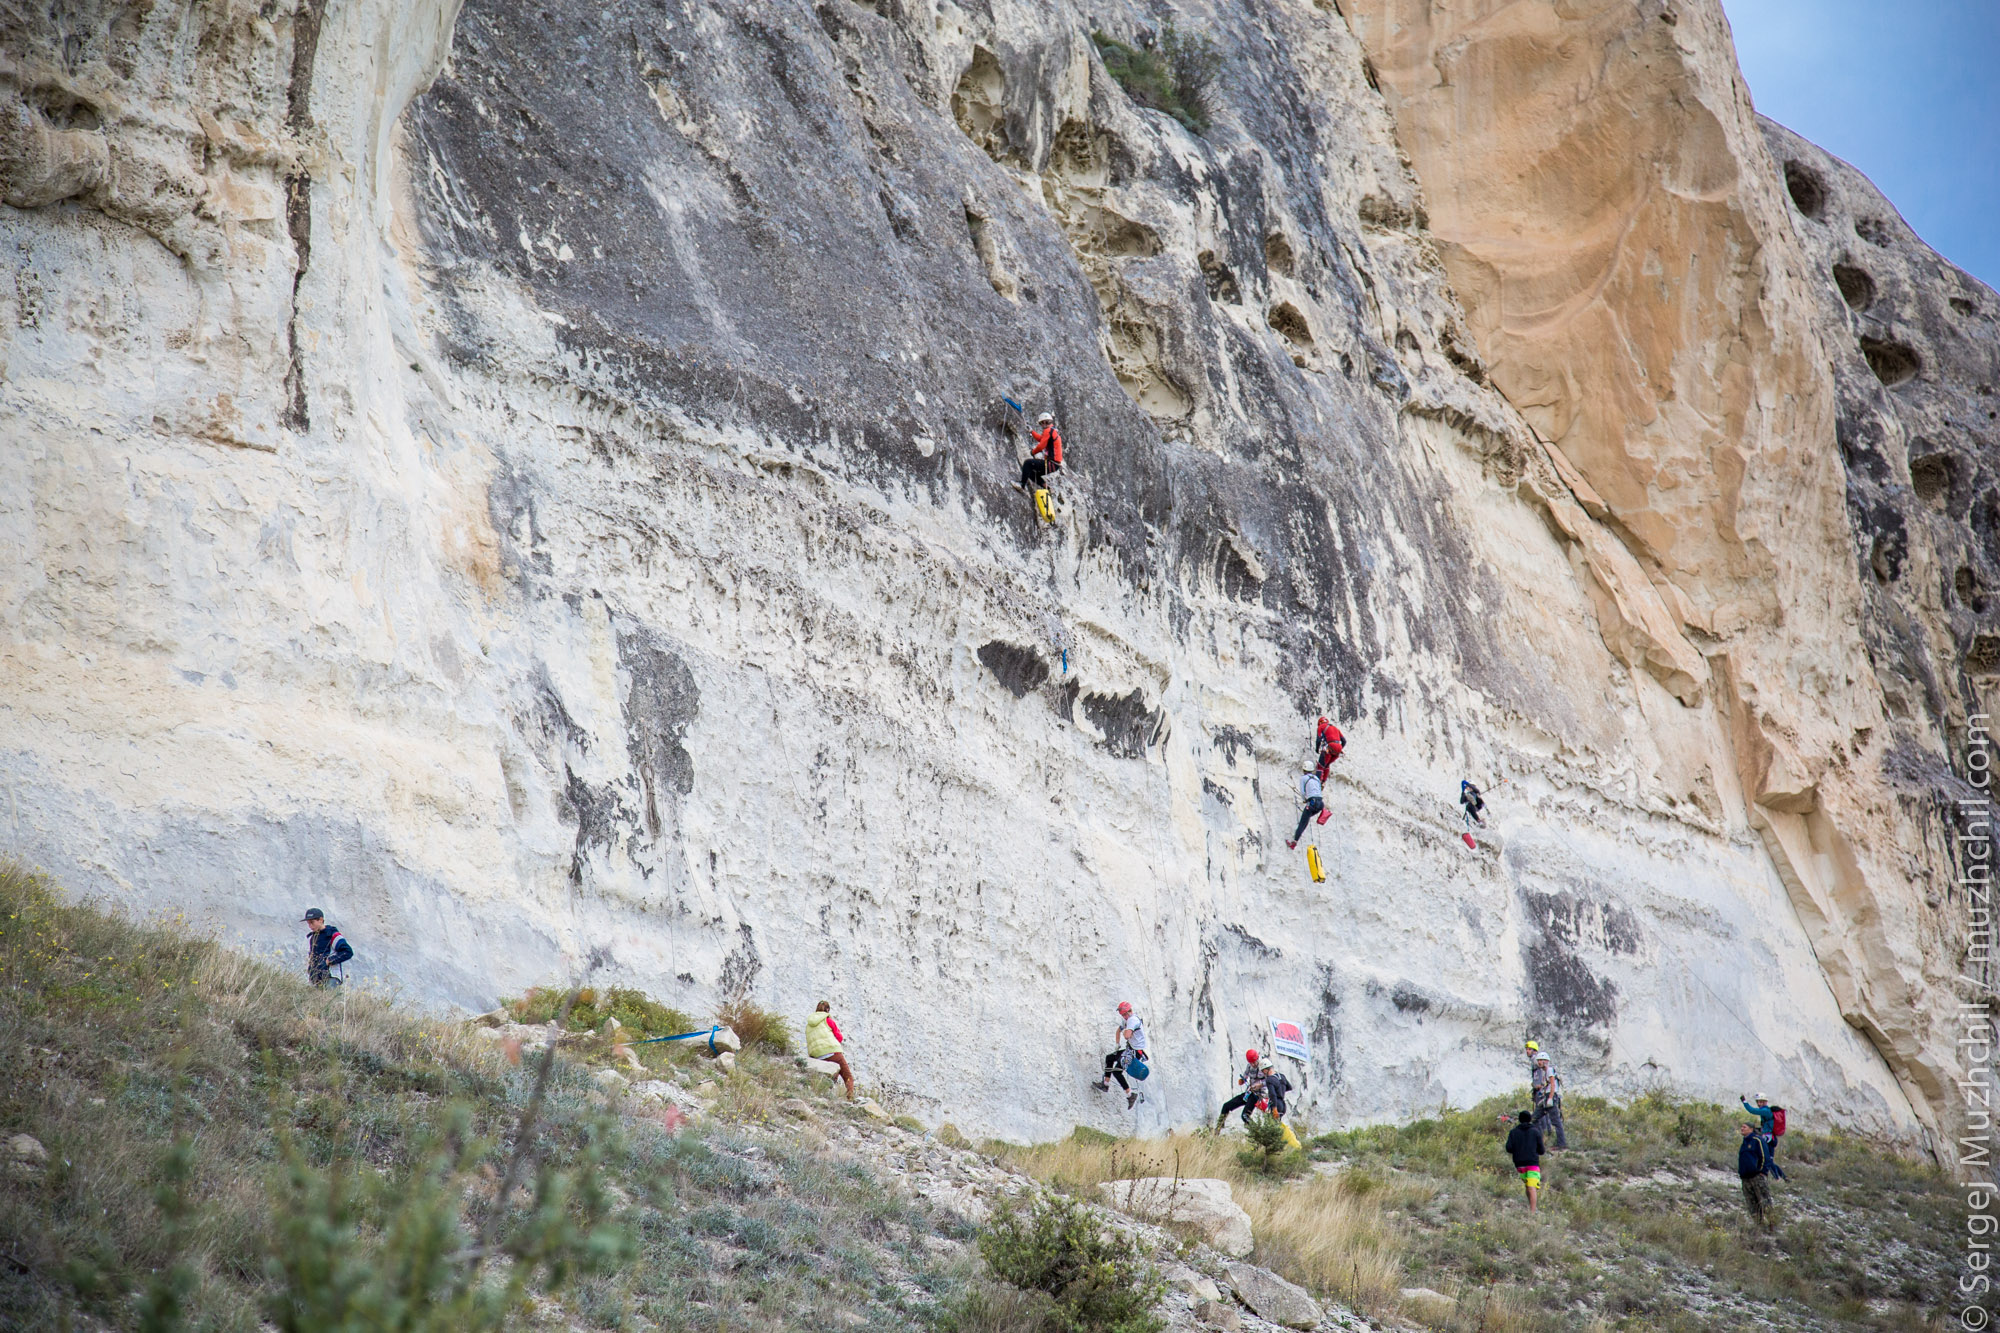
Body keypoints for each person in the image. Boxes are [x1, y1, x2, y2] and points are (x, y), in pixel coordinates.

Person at [1093, 1001, 1149, 1108]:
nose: (1123, 1016)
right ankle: (1105, 1084)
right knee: (1109, 1058)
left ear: (1128, 1012)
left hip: (1135, 1053)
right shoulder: (1127, 1020)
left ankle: (1130, 1095)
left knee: (1117, 1072)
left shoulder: (1132, 1020)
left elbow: (1127, 1035)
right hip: (1130, 1050)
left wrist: (1125, 1032)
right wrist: (1117, 1044)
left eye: (1123, 1014)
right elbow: (1118, 1031)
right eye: (1122, 1015)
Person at [806, 1000, 856, 1100]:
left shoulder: (808, 1025)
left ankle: (826, 1097)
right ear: (827, 1010)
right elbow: (839, 1037)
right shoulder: (828, 1020)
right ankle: (850, 1100)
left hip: (816, 1056)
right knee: (848, 1077)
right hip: (833, 1052)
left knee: (829, 1077)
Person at [1216, 1049, 1268, 1129]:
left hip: (1258, 1095)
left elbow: (1270, 1080)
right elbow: (1245, 1075)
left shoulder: (1264, 1065)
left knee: (1245, 1116)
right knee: (1226, 1106)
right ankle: (1217, 1131)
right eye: (1251, 1063)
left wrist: (1259, 1085)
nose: (1254, 1064)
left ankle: (1259, 1133)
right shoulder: (1249, 1066)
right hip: (1249, 1093)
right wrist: (1242, 1080)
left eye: (1255, 1062)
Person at [1504, 1110, 1545, 1212]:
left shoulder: (1513, 1132)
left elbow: (1509, 1148)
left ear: (1519, 1119)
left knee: (1528, 1186)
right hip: (1532, 1164)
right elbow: (1542, 1151)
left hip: (1519, 1165)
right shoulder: (1535, 1131)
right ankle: (1532, 1213)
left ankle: (1531, 1208)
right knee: (1532, 1187)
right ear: (1530, 1119)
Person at [302, 908, 352, 987]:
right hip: (316, 979)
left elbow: (347, 952)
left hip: (331, 977)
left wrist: (328, 961)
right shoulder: (313, 938)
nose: (310, 926)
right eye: (308, 923)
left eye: (312, 922)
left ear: (321, 920)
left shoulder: (333, 934)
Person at [1737, 1122, 1774, 1228]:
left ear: (1751, 1129)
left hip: (1757, 1177)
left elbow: (1765, 1157)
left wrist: (1762, 1172)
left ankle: (1770, 1226)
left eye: (1744, 1127)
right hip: (1746, 1179)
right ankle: (1759, 1227)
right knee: (1752, 1205)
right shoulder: (1744, 1143)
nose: (1742, 1128)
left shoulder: (1757, 1140)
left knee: (1764, 1202)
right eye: (1741, 1126)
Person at [1741, 1094, 1786, 1178]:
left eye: (1761, 1102)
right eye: (1758, 1102)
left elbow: (1752, 1110)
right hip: (1771, 1138)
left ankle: (1777, 1178)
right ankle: (1784, 1177)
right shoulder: (1766, 1111)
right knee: (1770, 1160)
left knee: (1767, 1160)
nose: (1759, 1104)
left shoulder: (1765, 1111)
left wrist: (1744, 1101)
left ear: (1765, 1102)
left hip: (1768, 1138)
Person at [1019, 412, 1064, 491]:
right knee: (1031, 473)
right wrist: (1031, 432)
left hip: (1051, 463)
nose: (1041, 426)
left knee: (1027, 463)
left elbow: (1041, 446)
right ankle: (1046, 487)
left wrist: (1033, 452)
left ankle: (1021, 486)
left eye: (1041, 424)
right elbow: (1041, 439)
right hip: (1055, 465)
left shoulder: (1048, 431)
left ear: (1044, 422)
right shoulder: (1053, 431)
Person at [1532, 1052, 1568, 1149]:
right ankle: (1540, 1140)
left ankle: (1561, 1144)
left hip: (1551, 1096)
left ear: (1546, 1061)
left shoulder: (1549, 1070)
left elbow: (1552, 1085)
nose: (1539, 1062)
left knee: (1556, 1121)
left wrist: (1550, 1098)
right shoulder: (1545, 1072)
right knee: (1534, 1118)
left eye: (1541, 1060)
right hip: (1546, 1096)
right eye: (1538, 1060)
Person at [1286, 769, 1324, 850]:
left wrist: (1304, 799)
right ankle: (1296, 838)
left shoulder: (1303, 778)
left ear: (1304, 769)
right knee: (1306, 819)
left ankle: (1294, 842)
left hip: (1312, 803)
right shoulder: (1316, 778)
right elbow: (1319, 790)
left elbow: (1303, 792)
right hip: (1320, 803)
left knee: (1303, 822)